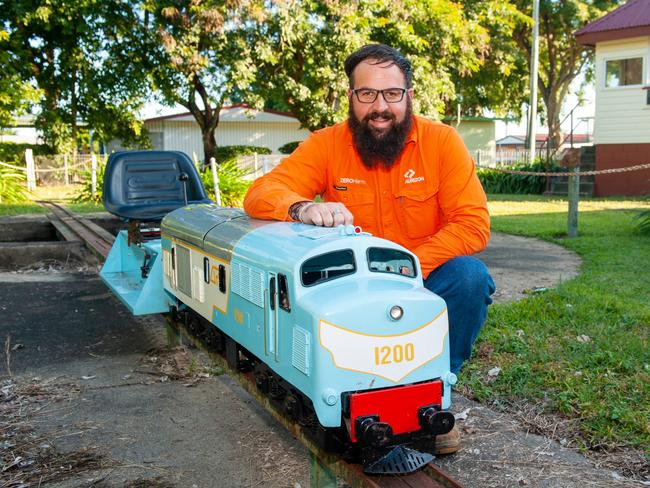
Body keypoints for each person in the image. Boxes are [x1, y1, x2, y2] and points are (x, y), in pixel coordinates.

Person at [244, 43, 495, 454]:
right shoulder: (326, 144)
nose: (381, 107)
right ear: (351, 98)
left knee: (471, 278)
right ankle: (339, 391)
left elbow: (473, 223)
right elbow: (261, 193)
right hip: (348, 284)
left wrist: (406, 268)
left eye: (392, 94)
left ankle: (437, 393)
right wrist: (301, 206)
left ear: (408, 96)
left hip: (423, 274)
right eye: (367, 94)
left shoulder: (442, 142)